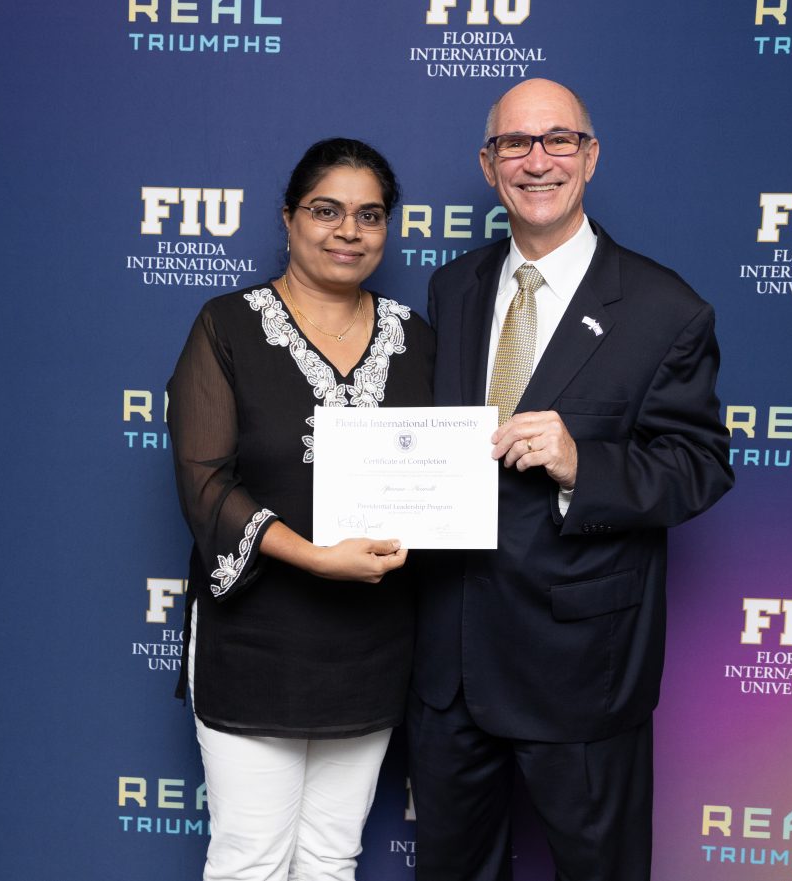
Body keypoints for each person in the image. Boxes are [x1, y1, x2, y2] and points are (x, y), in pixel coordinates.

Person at [408, 79, 735, 881]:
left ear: (590, 156)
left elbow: (700, 465)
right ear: (489, 166)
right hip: (452, 666)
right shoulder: (453, 287)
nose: (537, 160)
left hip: (582, 667)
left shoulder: (665, 308)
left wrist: (583, 465)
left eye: (559, 140)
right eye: (515, 144)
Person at [167, 138, 434, 881]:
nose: (349, 230)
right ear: (288, 219)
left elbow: (443, 475)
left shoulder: (419, 341)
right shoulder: (227, 326)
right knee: (251, 858)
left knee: (330, 856)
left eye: (370, 215)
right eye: (327, 210)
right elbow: (204, 482)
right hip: (257, 640)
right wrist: (317, 555)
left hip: (373, 643)